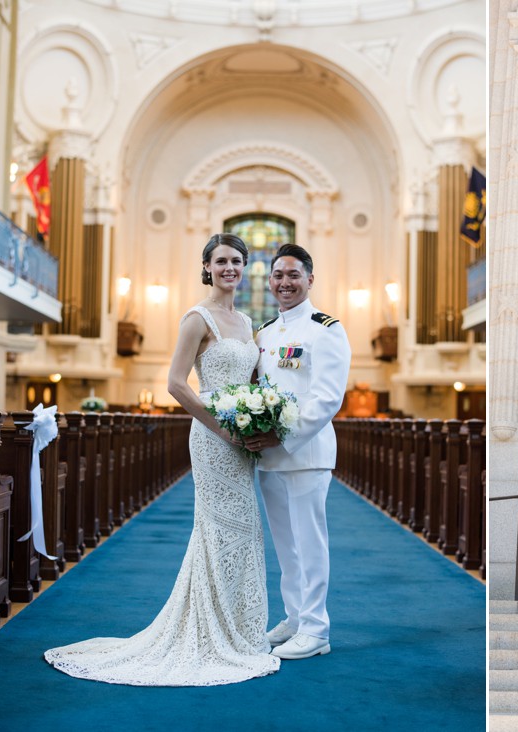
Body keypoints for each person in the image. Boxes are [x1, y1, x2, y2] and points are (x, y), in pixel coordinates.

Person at [45, 233, 279, 685]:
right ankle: (208, 631)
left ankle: (241, 631)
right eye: (221, 261)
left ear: (245, 268)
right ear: (207, 267)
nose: (230, 268)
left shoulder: (247, 321)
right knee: (215, 527)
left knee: (245, 528)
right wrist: (222, 427)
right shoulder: (197, 318)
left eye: (237, 261)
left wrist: (256, 422)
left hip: (241, 436)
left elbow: (251, 383)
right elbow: (176, 383)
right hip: (213, 438)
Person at [244, 244, 351, 661]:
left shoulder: (325, 329)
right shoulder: (267, 333)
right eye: (278, 276)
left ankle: (317, 629)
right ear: (269, 281)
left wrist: (282, 437)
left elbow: (327, 397)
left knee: (309, 543)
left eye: (293, 275)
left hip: (305, 453)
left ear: (309, 279)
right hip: (270, 457)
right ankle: (295, 617)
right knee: (286, 545)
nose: (285, 282)